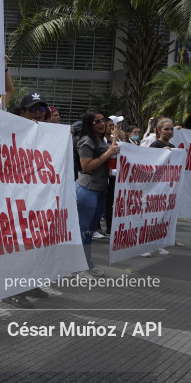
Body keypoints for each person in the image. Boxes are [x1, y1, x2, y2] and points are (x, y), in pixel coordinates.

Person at [2, 93, 51, 308]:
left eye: (41, 109)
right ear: (22, 112)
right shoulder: (11, 129)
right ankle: (12, 291)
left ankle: (30, 284)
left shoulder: (44, 132)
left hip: (36, 197)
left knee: (35, 244)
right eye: (33, 109)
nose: (38, 113)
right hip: (15, 199)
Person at [75, 110, 120, 276]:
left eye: (103, 120)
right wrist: (108, 153)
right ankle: (78, 266)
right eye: (97, 122)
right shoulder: (86, 141)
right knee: (84, 230)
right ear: (89, 124)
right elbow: (86, 167)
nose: (102, 124)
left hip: (99, 190)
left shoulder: (100, 139)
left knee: (90, 231)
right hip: (88, 190)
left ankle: (87, 263)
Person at [140, 117, 175, 258]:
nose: (169, 131)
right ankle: (143, 246)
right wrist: (161, 153)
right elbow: (149, 164)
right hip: (154, 188)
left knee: (161, 217)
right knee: (149, 218)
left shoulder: (173, 146)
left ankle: (157, 244)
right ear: (159, 130)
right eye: (166, 129)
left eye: (171, 129)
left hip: (166, 188)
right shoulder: (155, 145)